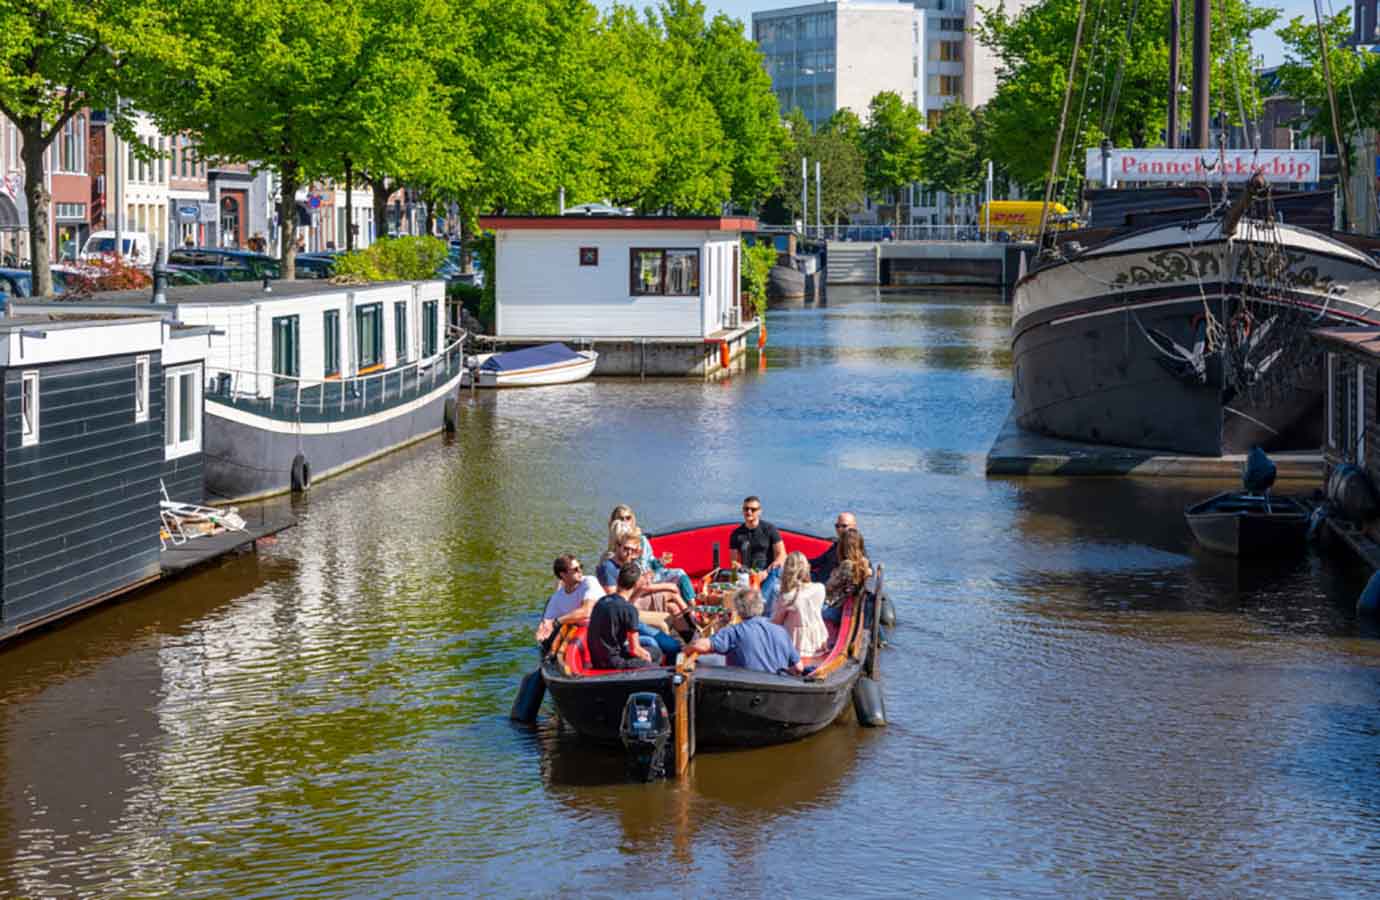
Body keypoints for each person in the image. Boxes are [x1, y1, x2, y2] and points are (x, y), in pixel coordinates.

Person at [690, 588, 801, 675]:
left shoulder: (734, 632)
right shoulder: (781, 631)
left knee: (706, 663)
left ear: (738, 610)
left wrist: (685, 651)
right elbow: (798, 667)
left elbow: (701, 646)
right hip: (776, 694)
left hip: (745, 695)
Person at [607, 504, 694, 601]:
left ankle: (693, 608)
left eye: (628, 518)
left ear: (633, 519)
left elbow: (650, 562)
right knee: (673, 589)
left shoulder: (642, 540)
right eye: (621, 518)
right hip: (637, 583)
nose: (625, 522)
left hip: (652, 576)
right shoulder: (615, 546)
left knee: (679, 574)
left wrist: (660, 562)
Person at [598, 523, 691, 608]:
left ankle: (693, 618)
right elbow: (615, 601)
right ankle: (692, 617)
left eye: (632, 550)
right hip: (626, 606)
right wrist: (644, 586)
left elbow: (642, 582)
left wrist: (647, 578)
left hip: (637, 597)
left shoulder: (630, 562)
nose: (629, 553)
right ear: (618, 546)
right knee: (672, 592)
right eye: (626, 549)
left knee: (673, 602)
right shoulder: (608, 567)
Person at [588, 562, 661, 668]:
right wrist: (646, 659)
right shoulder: (629, 609)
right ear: (636, 584)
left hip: (597, 660)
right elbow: (635, 649)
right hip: (613, 663)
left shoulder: (602, 601)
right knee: (654, 665)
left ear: (618, 580)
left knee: (656, 652)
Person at [730, 495, 786, 609]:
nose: (749, 512)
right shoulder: (736, 534)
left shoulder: (769, 529)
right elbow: (734, 561)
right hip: (747, 573)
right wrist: (745, 572)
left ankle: (762, 605)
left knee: (761, 601)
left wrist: (766, 572)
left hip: (769, 571)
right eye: (746, 509)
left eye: (753, 509)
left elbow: (782, 555)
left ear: (759, 511)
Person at [535, 554, 602, 646]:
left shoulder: (590, 581)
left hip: (602, 628)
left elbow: (586, 611)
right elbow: (547, 622)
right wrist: (543, 630)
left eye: (580, 567)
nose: (580, 571)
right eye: (575, 569)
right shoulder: (556, 598)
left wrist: (558, 621)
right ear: (563, 575)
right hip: (582, 632)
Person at [771, 552, 829, 657]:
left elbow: (775, 623)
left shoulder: (787, 597)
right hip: (819, 642)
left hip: (796, 647)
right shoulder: (820, 588)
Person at [823, 528, 871, 626]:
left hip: (833, 609)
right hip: (844, 608)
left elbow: (828, 587)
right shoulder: (864, 563)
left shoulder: (847, 565)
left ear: (842, 547)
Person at [810, 511, 857, 581]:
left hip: (824, 586)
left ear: (854, 527)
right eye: (837, 526)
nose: (839, 529)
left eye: (844, 526)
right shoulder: (837, 545)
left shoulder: (855, 550)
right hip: (816, 578)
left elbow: (867, 569)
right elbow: (818, 561)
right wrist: (799, 562)